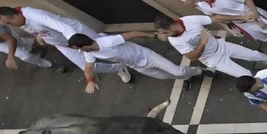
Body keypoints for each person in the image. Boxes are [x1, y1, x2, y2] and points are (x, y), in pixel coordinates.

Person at [64, 32, 198, 90]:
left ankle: (200, 71)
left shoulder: (108, 42)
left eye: (78, 48)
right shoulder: (90, 53)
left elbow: (132, 34)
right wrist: (90, 81)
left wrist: (156, 36)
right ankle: (187, 76)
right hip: (138, 66)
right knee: (165, 76)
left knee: (177, 71)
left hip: (147, 56)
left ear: (85, 46)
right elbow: (88, 68)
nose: (78, 51)